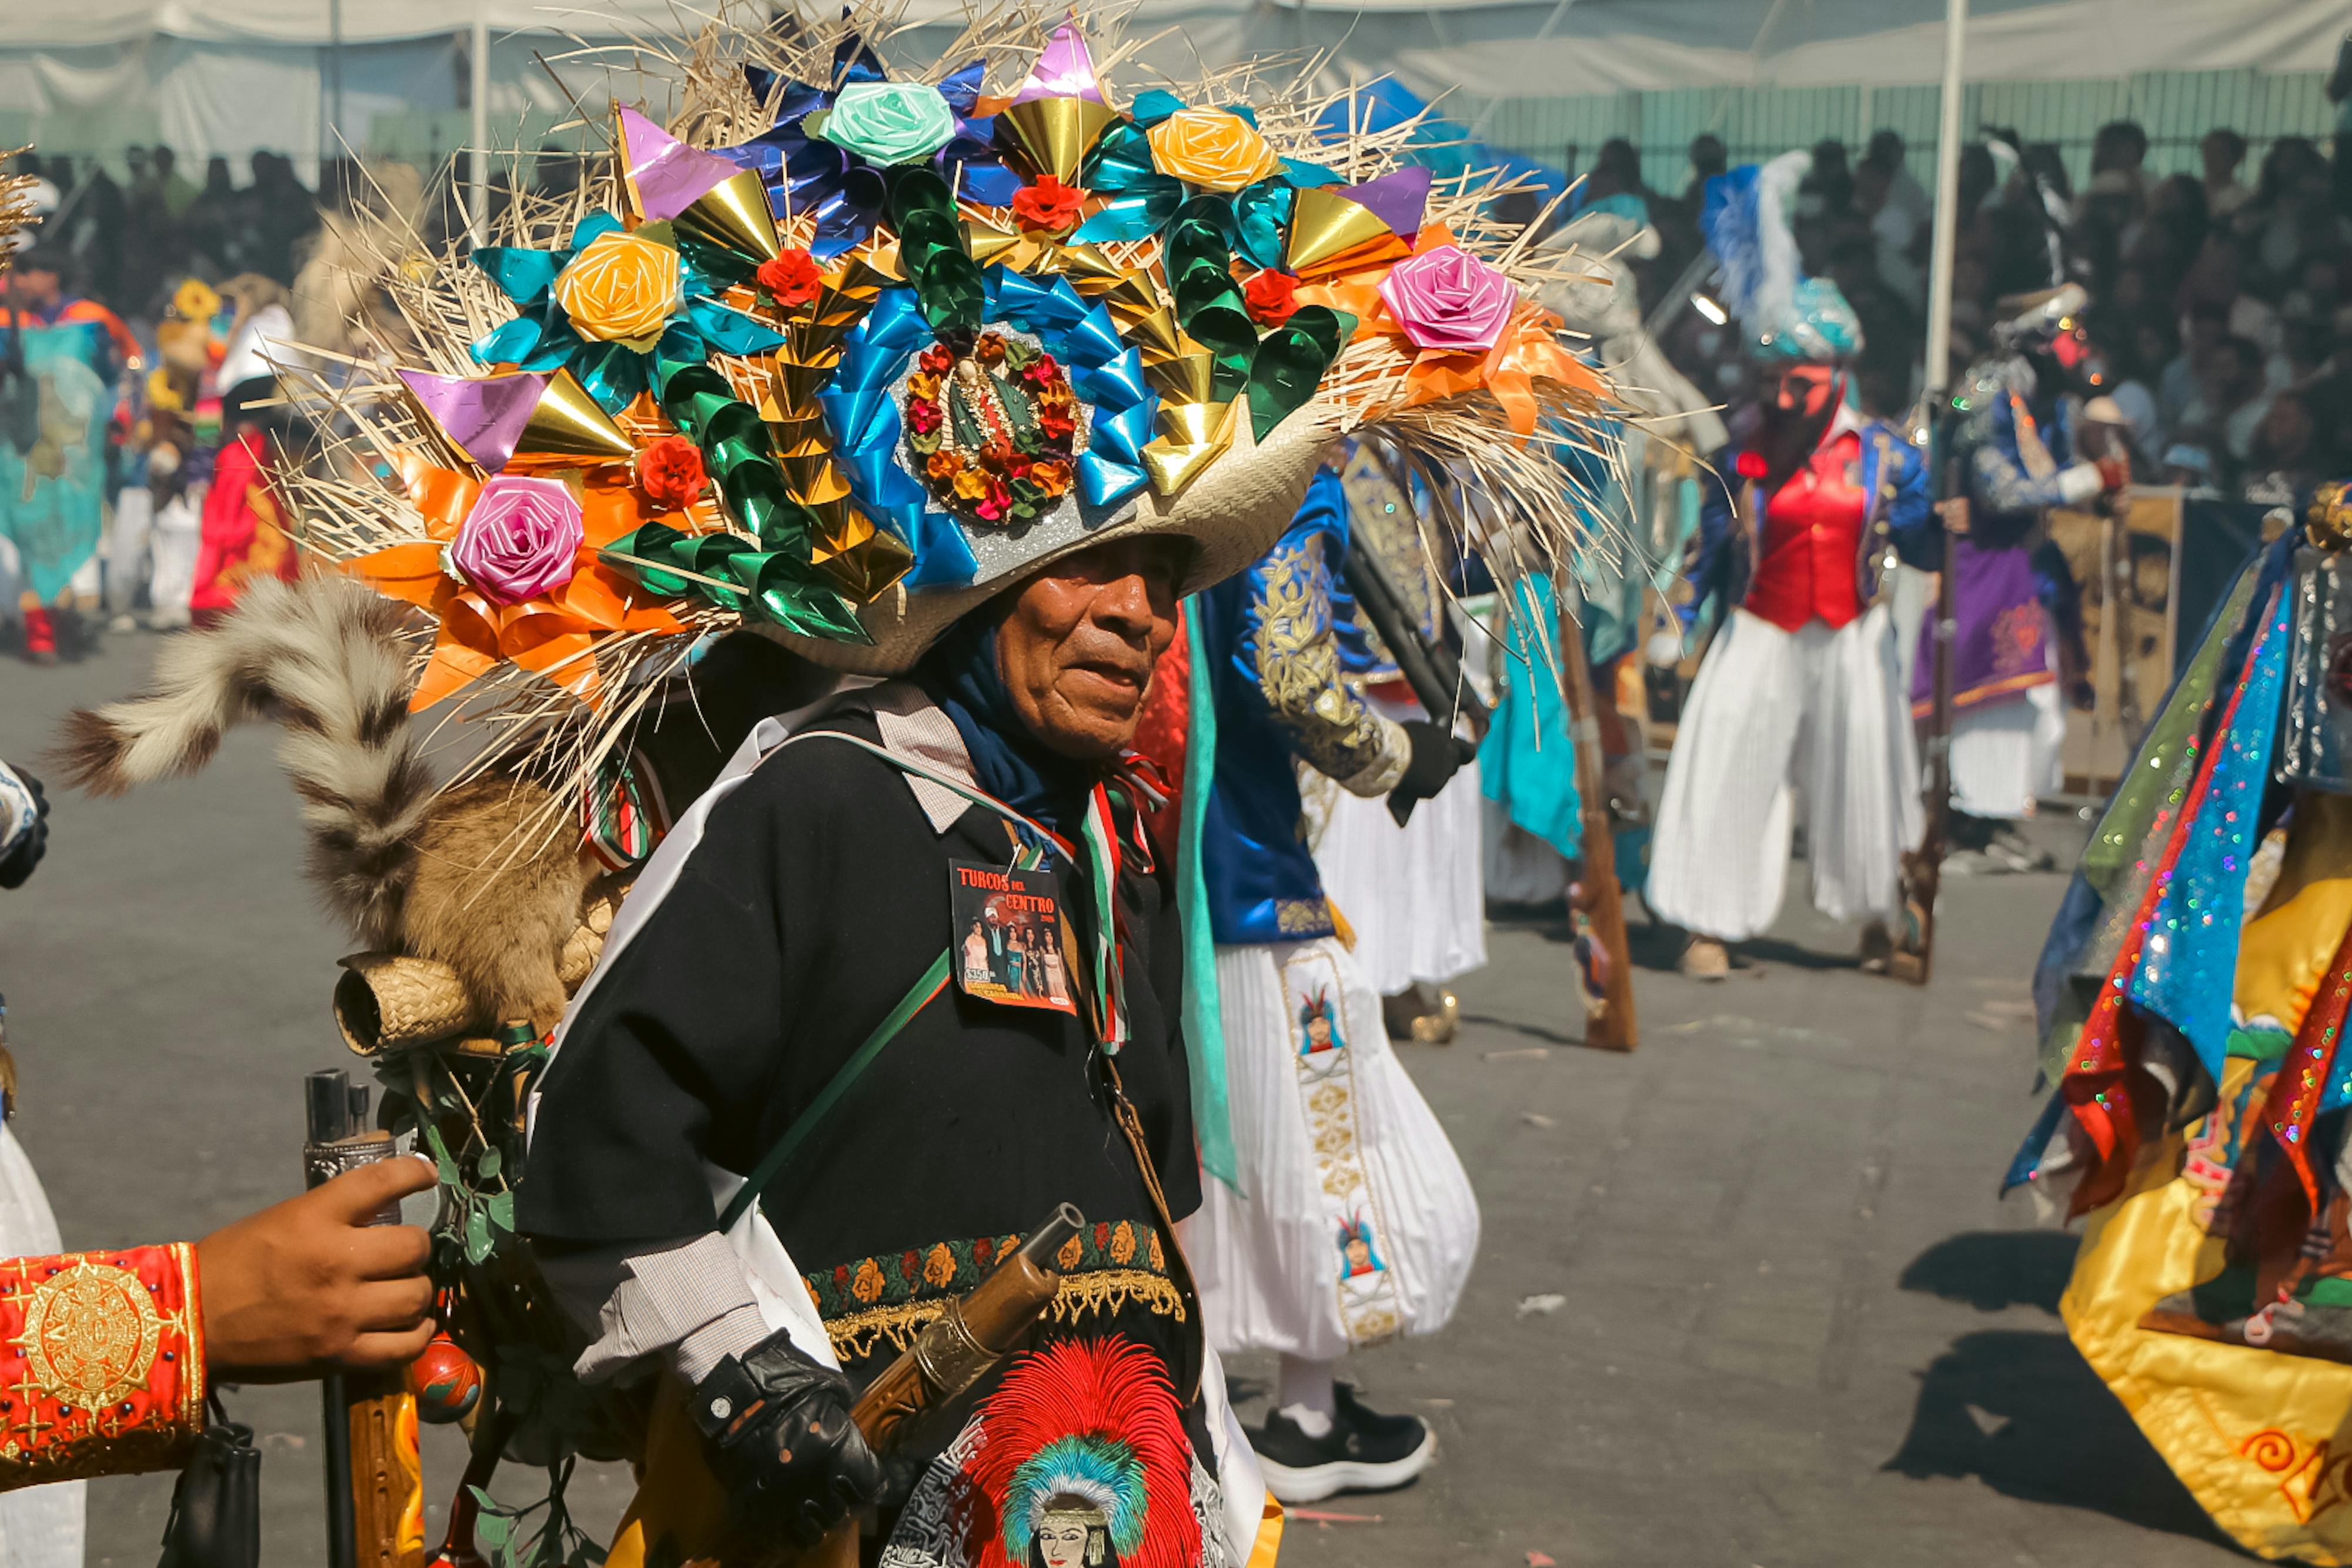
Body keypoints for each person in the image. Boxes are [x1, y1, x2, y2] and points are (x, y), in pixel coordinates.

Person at [1183, 466, 1483, 1502]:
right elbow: (1290, 671)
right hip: (1251, 872)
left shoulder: (1184, 440)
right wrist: (1395, 757)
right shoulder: (1287, 477)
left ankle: (1219, 1405)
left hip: (1150, 853)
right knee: (1326, 1152)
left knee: (1208, 1157)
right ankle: (1301, 1419)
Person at [1648, 148, 1936, 978]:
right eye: (1769, 380)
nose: (1780, 398)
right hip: (1760, 626)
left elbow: (1920, 544)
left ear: (1838, 375)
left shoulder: (1888, 457)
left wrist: (1940, 524)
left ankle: (1881, 915)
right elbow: (1707, 548)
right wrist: (1676, 622)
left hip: (1853, 634)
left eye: (1798, 384)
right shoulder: (1742, 452)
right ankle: (1706, 920)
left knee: (1867, 777)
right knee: (1727, 761)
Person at [1913, 284, 2123, 863]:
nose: (2081, 345)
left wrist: (2099, 488)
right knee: (1993, 689)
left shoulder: (2049, 399)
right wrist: (2089, 480)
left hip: (2025, 562)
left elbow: (2049, 477)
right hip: (1981, 561)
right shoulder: (1990, 394)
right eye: (2070, 333)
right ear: (2038, 339)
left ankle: (1997, 813)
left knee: (2037, 695)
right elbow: (2002, 492)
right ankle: (1966, 817)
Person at [1310, 443, 1486, 1043]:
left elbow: (1445, 569)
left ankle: (1400, 975)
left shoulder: (1416, 454)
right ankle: (1354, 981)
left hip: (1423, 673)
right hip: (1351, 682)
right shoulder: (1331, 449)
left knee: (1412, 857)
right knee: (1356, 855)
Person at [0, 243, 139, 663]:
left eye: (26, 273)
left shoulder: (93, 320)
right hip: (23, 450)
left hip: (78, 452)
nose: (18, 282)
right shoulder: (8, 321)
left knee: (76, 525)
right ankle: (39, 630)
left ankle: (67, 618)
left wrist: (118, 418)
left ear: (51, 276)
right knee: (31, 530)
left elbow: (119, 373)